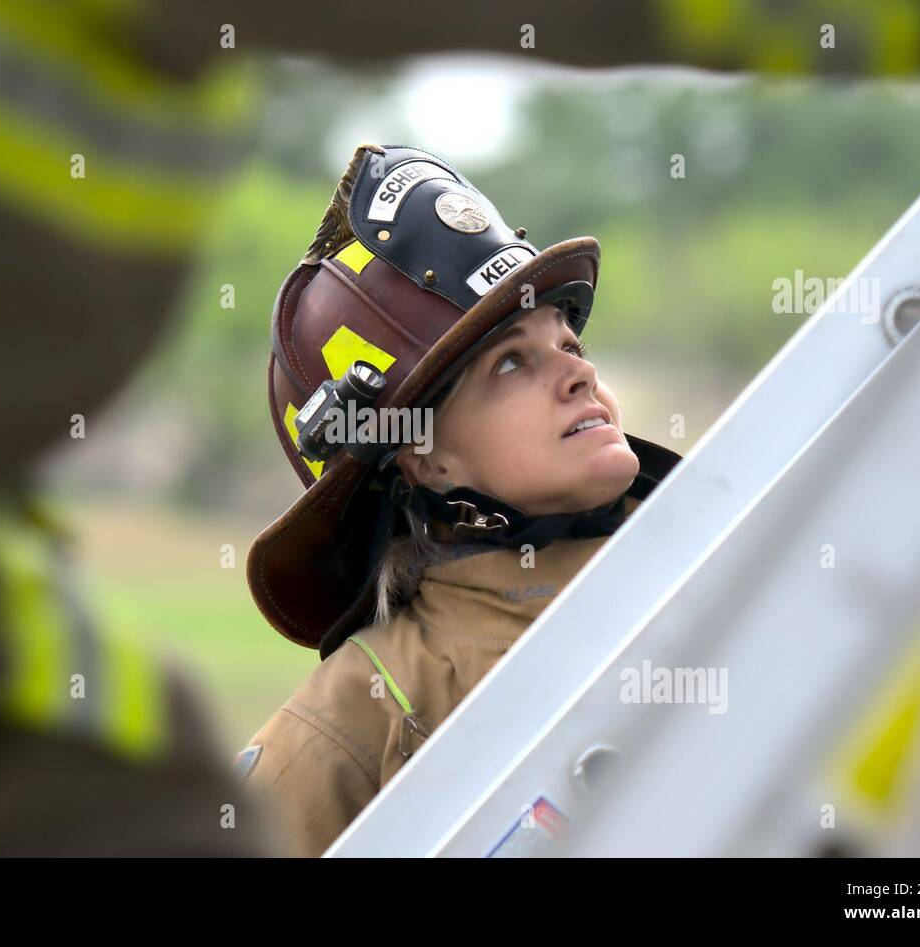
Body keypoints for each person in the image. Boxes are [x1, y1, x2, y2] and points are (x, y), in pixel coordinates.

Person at [238, 143, 683, 856]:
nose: (577, 373)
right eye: (512, 361)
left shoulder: (737, 563)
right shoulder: (360, 719)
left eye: (568, 339)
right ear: (423, 457)